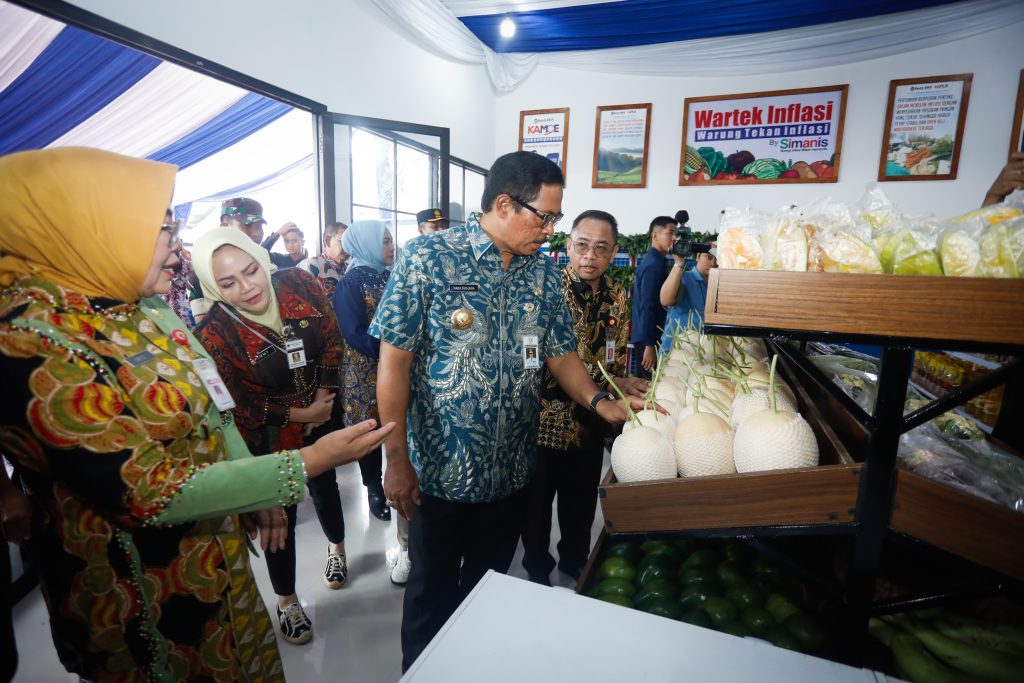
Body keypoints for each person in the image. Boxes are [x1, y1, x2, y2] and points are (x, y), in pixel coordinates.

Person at [0, 147, 393, 682]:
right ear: (94, 227)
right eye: (163, 227)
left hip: (217, 559)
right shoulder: (30, 342)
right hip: (138, 589)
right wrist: (301, 463)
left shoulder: (142, 306)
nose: (176, 250)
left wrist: (256, 491)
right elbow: (146, 491)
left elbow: (216, 407)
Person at [369, 151, 647, 671]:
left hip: (511, 470)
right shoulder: (428, 259)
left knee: (488, 590)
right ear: (504, 203)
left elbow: (561, 355)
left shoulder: (542, 274)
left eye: (555, 219)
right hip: (439, 472)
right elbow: (394, 364)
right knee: (431, 594)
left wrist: (601, 401)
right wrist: (396, 459)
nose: (550, 229)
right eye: (545, 216)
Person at [192, 229, 352, 646]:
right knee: (279, 514)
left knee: (325, 483)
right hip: (269, 433)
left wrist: (323, 397)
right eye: (228, 283)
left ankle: (337, 550)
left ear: (261, 261)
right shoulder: (214, 333)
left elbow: (333, 340)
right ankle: (286, 600)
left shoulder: (299, 282)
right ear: (213, 287)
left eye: (250, 271)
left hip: (323, 408)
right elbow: (235, 403)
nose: (248, 288)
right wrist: (299, 413)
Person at [521, 210, 649, 586]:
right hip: (542, 423)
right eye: (582, 246)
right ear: (567, 246)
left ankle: (575, 561)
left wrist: (619, 381)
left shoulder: (617, 297)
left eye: (600, 248)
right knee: (537, 506)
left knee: (579, 505)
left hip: (591, 424)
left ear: (613, 253)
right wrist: (596, 385)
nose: (589, 256)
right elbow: (532, 360)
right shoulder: (543, 291)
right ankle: (536, 567)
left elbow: (612, 353)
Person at [333, 221, 395, 523]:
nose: (390, 246)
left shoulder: (392, 275)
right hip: (364, 369)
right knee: (369, 428)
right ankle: (374, 488)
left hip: (395, 365)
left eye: (390, 240)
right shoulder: (351, 282)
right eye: (384, 241)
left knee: (396, 422)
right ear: (367, 243)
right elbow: (353, 331)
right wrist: (390, 352)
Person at [188, 197, 268, 325]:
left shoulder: (268, 264)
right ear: (225, 227)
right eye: (247, 225)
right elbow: (203, 326)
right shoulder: (201, 275)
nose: (256, 232)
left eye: (259, 226)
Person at [630, 215, 676, 375]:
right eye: (670, 233)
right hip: (648, 338)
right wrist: (649, 345)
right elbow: (648, 305)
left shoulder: (657, 262)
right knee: (647, 388)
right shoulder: (653, 265)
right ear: (655, 235)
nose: (674, 238)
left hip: (648, 335)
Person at [659, 247, 718, 348]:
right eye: (709, 257)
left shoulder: (719, 286)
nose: (714, 263)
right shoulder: (684, 277)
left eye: (718, 259)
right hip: (676, 352)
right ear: (698, 256)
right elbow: (665, 300)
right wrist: (678, 263)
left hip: (704, 354)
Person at [298, 221, 349, 299]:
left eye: (350, 243)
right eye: (343, 241)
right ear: (328, 240)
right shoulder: (311, 265)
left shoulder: (350, 269)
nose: (348, 246)